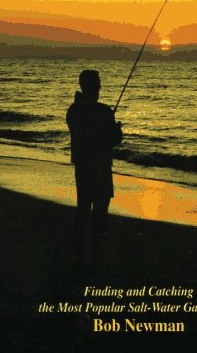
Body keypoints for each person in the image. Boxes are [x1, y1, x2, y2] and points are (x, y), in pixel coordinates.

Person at [66, 70, 122, 267]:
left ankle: (78, 255)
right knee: (100, 212)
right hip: (100, 168)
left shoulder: (73, 111)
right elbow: (115, 140)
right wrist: (116, 130)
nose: (99, 87)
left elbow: (80, 130)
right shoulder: (103, 111)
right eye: (97, 84)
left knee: (83, 209)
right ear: (89, 86)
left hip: (82, 168)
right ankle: (97, 255)